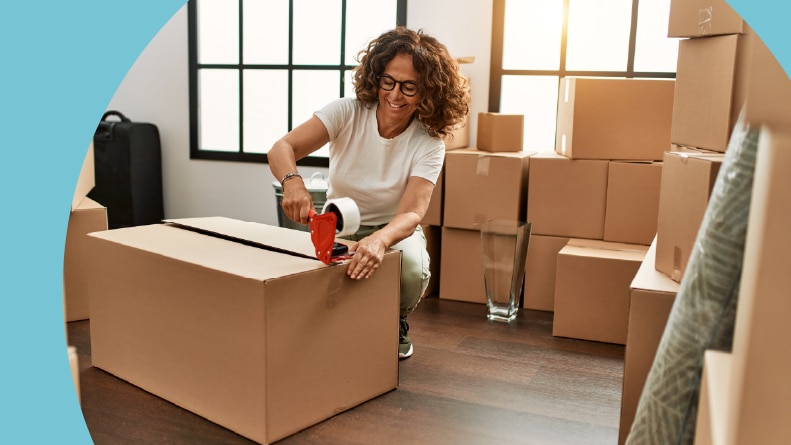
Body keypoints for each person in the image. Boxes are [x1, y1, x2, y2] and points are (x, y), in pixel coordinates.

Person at [268, 27, 470, 360]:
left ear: (428, 92)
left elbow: (411, 213)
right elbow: (282, 147)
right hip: (339, 223)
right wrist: (293, 182)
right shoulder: (345, 112)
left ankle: (396, 319)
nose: (395, 95)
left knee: (412, 269)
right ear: (376, 77)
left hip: (392, 228)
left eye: (409, 87)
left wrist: (379, 240)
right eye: (388, 81)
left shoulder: (429, 143)